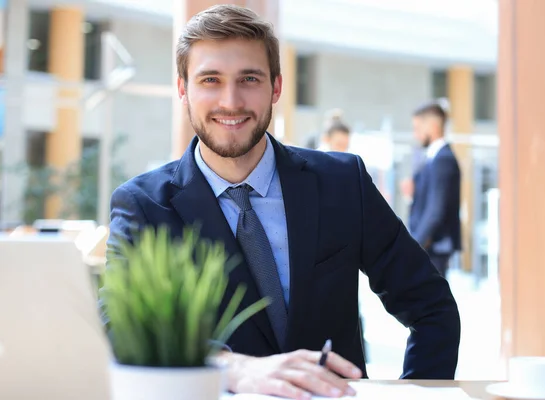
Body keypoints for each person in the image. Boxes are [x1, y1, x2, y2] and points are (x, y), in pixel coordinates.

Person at [106, 5, 460, 399]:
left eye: (249, 79)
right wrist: (232, 368)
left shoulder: (344, 184)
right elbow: (115, 331)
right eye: (210, 80)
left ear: (276, 87)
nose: (231, 101)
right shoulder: (143, 205)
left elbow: (432, 308)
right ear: (182, 90)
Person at [408, 101, 462, 278]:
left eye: (417, 128)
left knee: (430, 303)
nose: (415, 135)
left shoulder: (443, 159)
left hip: (434, 247)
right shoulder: (433, 158)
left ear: (432, 126)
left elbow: (435, 211)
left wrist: (415, 245)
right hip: (430, 246)